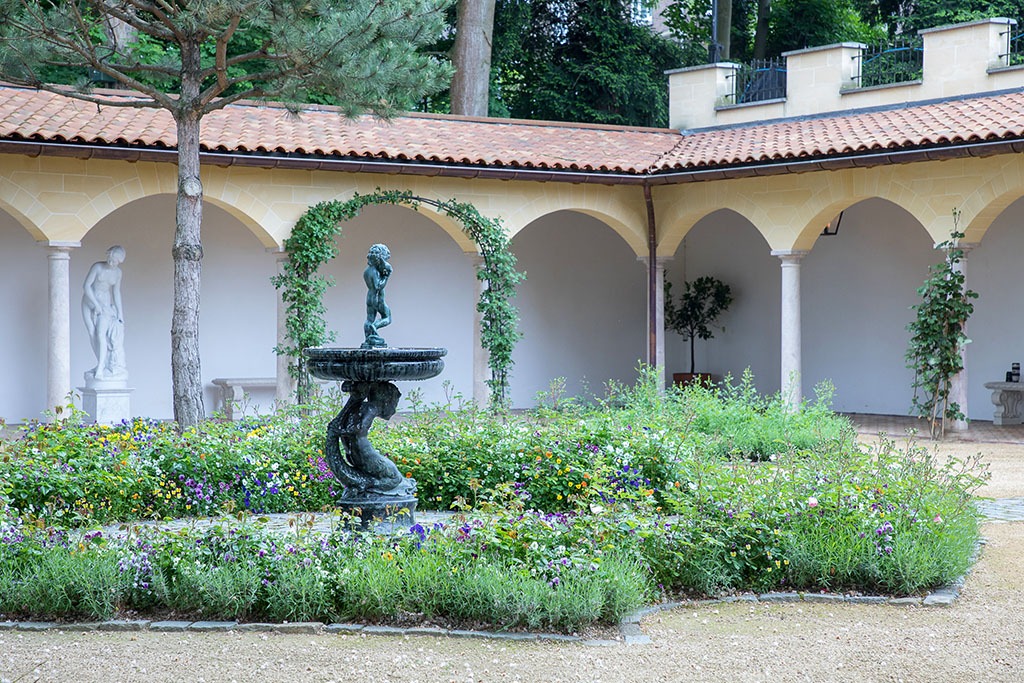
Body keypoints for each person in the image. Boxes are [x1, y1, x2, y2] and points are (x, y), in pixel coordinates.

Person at [82, 245, 127, 381]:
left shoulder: (118, 273)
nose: (111, 262)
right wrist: (95, 304)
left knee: (101, 333)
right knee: (92, 332)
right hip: (89, 301)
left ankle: (101, 367)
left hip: (105, 304)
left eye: (114, 261)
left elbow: (116, 292)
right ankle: (100, 363)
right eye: (110, 258)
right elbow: (86, 286)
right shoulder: (97, 267)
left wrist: (120, 314)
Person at [362, 243, 392, 348]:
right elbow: (378, 286)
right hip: (377, 298)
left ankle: (368, 338)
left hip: (369, 297)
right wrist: (386, 276)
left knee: (369, 318)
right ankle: (375, 327)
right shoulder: (374, 272)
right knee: (387, 317)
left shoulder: (367, 271)